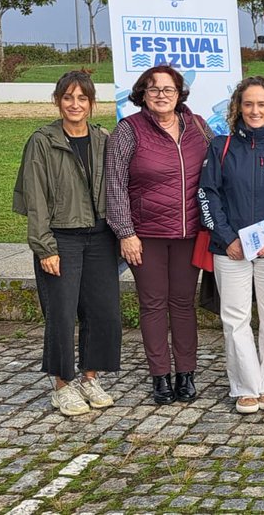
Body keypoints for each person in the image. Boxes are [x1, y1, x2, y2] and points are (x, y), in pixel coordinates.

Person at [14, 70, 122, 416]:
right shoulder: (43, 141)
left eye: (82, 98)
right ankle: (62, 384)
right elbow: (36, 199)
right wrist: (44, 247)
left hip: (101, 237)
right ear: (58, 101)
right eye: (68, 98)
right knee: (61, 313)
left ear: (92, 104)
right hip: (62, 237)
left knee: (102, 311)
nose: (75, 104)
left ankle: (90, 377)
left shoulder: (104, 138)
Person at [105, 65, 211, 405]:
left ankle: (186, 374)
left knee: (183, 305)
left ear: (180, 92)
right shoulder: (128, 130)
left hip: (190, 234)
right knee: (152, 305)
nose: (162, 94)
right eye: (154, 89)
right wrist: (125, 232)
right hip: (145, 235)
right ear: (142, 94)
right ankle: (160, 377)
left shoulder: (198, 127)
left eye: (168, 88)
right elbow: (115, 184)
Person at [198, 76, 264, 414]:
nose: (255, 110)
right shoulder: (221, 146)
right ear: (237, 108)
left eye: (261, 104)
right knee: (235, 319)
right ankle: (245, 386)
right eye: (248, 104)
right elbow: (208, 195)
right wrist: (227, 238)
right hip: (232, 251)